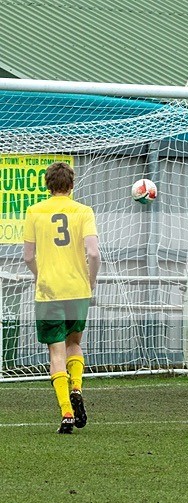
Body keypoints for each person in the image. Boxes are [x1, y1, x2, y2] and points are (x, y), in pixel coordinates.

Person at [22, 162, 100, 434]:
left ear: (47, 184)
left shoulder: (34, 211)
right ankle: (77, 386)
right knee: (74, 343)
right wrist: (89, 282)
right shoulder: (83, 211)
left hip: (48, 291)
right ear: (72, 184)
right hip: (77, 289)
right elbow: (93, 253)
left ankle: (66, 412)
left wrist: (39, 275)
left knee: (55, 351)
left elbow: (28, 257)